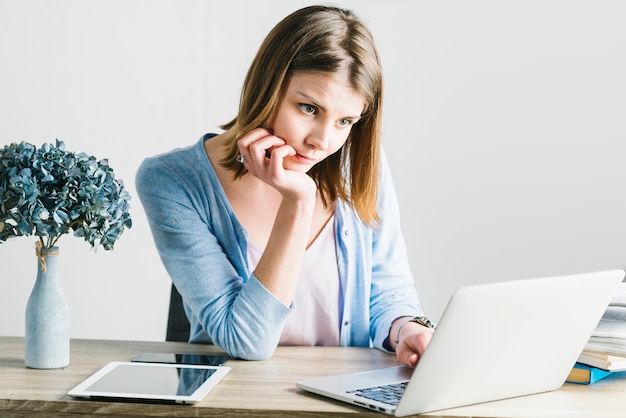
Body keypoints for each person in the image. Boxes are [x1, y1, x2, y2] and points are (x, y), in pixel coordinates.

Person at [136, 5, 434, 367]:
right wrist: (298, 202)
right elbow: (246, 340)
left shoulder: (358, 164)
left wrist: (408, 328)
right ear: (268, 86)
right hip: (234, 401)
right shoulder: (172, 181)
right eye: (309, 108)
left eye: (345, 121)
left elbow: (388, 291)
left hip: (342, 398)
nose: (322, 142)